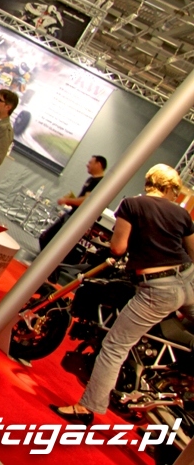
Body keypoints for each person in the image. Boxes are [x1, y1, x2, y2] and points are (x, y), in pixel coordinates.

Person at [54, 165, 194, 424]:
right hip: (188, 282)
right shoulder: (182, 213)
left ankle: (87, 407)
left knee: (114, 346)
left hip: (158, 287)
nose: (175, 196)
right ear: (167, 187)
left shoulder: (132, 204)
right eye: (175, 190)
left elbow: (118, 248)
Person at [38, 155, 108, 250]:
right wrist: (72, 201)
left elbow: (86, 201)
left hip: (78, 218)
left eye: (90, 163)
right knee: (46, 238)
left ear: (98, 164)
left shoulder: (99, 183)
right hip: (72, 213)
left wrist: (67, 200)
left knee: (48, 239)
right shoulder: (91, 180)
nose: (87, 165)